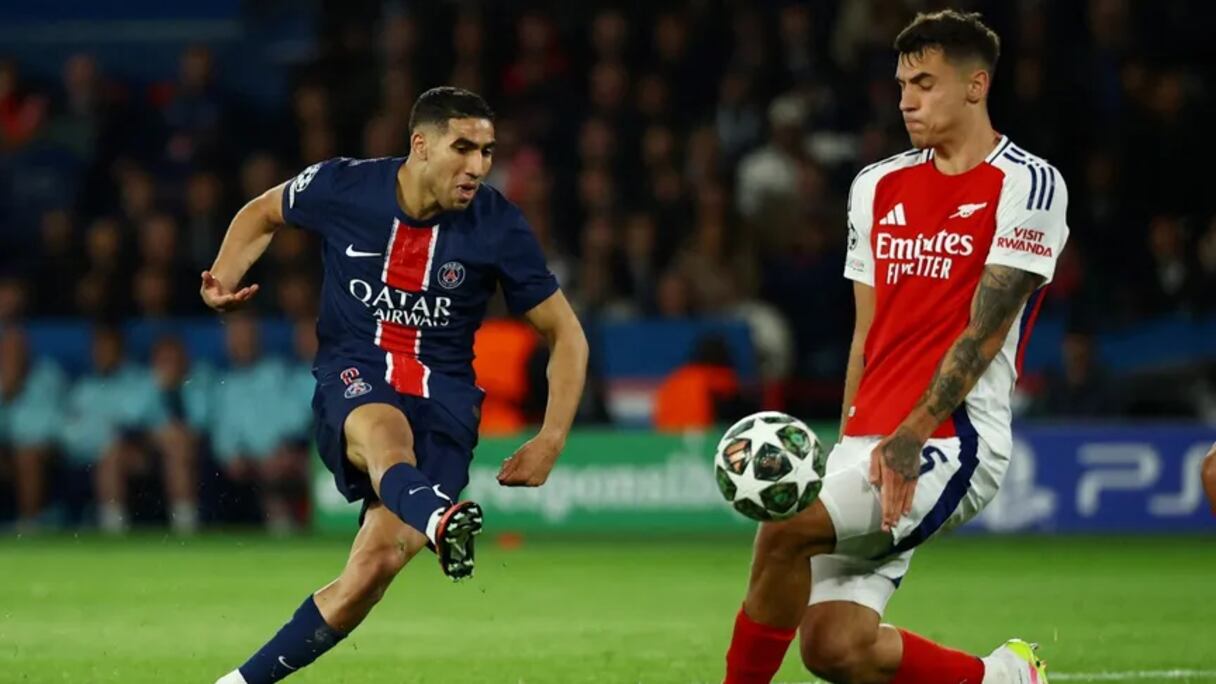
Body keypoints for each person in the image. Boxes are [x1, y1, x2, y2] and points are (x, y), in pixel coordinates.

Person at [722, 12, 1068, 684]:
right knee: (834, 647)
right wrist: (848, 444)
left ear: (975, 86)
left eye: (925, 83)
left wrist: (910, 435)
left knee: (783, 530)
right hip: (869, 440)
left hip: (951, 438)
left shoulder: (1028, 184)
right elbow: (867, 333)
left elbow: (985, 330)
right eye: (903, 84)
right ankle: (1004, 677)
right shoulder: (876, 186)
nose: (907, 100)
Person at [203, 86, 588, 684]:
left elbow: (566, 335)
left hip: (445, 405)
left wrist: (552, 437)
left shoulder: (498, 225)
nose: (478, 166)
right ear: (421, 145)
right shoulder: (343, 186)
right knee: (386, 437)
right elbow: (263, 211)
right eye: (463, 148)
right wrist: (223, 279)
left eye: (487, 151)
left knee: (369, 574)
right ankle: (438, 519)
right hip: (356, 373)